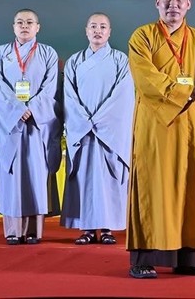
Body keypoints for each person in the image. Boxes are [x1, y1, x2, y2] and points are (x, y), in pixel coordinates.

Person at [126, 0, 195, 280]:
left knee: (190, 186)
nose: (173, 4)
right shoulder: (142, 36)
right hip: (157, 123)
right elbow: (145, 78)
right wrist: (187, 92)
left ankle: (187, 258)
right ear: (157, 3)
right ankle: (144, 258)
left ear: (189, 4)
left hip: (191, 123)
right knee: (153, 186)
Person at [0, 9, 63, 245]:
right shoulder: (1, 54)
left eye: (29, 22)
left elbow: (51, 88)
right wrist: (17, 109)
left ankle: (33, 231)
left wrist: (32, 108)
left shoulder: (48, 54)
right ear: (13, 27)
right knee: (11, 177)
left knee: (35, 176)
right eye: (20, 22)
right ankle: (12, 230)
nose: (24, 26)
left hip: (37, 126)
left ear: (37, 27)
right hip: (9, 125)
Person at [60, 13, 135, 246]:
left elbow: (123, 96)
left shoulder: (121, 60)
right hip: (83, 131)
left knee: (109, 178)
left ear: (109, 32)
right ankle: (87, 228)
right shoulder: (74, 61)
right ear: (86, 31)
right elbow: (69, 97)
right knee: (84, 179)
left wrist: (99, 121)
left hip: (109, 132)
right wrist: (84, 121)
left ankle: (108, 228)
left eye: (103, 27)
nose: (98, 31)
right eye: (93, 26)